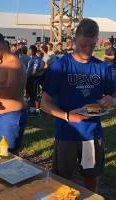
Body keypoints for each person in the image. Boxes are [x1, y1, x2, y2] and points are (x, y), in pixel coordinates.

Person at [41, 18, 115, 192]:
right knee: (61, 179)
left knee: (90, 175)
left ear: (97, 41)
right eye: (83, 45)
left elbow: (113, 94)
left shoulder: (102, 67)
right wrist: (67, 116)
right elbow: (44, 102)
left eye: (92, 45)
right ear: (74, 41)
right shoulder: (60, 66)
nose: (88, 50)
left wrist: (111, 100)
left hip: (92, 133)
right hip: (66, 132)